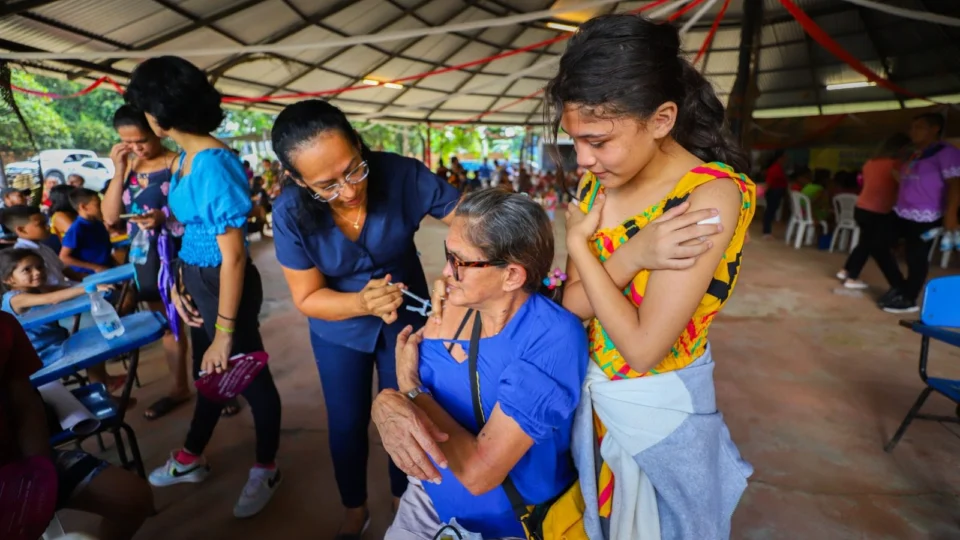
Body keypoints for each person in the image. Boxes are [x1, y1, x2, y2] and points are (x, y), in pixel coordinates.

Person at [547, 14, 753, 539]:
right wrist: (631, 254)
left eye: (598, 141)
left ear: (661, 119)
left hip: (655, 405)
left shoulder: (709, 196)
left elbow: (642, 348)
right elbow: (571, 305)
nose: (585, 159)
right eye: (575, 141)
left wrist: (589, 255)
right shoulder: (601, 184)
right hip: (593, 398)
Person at [269, 99, 460, 538]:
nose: (350, 190)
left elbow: (471, 218)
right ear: (298, 180)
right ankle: (354, 508)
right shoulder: (290, 214)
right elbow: (308, 296)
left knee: (410, 411)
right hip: (338, 328)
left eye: (353, 169)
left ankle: (403, 500)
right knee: (347, 421)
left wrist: (460, 272)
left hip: (408, 318)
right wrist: (361, 303)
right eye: (327, 185)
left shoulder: (402, 174)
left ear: (358, 143)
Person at [371, 189, 587, 539]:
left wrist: (409, 389)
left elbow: (479, 473)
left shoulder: (552, 338)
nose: (444, 271)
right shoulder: (457, 302)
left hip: (510, 525)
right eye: (447, 254)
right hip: (428, 501)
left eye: (459, 261)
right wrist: (385, 404)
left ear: (513, 276)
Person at [125, 55, 283, 518]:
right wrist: (177, 282)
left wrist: (226, 331)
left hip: (223, 281)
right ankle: (193, 455)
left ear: (160, 113)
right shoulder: (186, 159)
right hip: (196, 277)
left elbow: (235, 255)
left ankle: (267, 466)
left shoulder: (213, 163)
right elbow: (188, 226)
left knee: (249, 377)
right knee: (210, 375)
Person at [0, 311, 154, 540]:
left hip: (18, 460)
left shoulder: (4, 326)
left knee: (131, 497)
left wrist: (38, 475)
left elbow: (25, 405)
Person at [101, 104, 197, 421]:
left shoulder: (177, 162)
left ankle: (219, 388)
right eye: (127, 142)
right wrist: (118, 171)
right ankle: (180, 388)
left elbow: (195, 209)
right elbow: (111, 218)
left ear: (156, 130)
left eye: (141, 139)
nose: (136, 147)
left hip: (181, 252)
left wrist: (164, 216)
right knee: (169, 325)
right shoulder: (127, 168)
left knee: (201, 321)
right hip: (146, 257)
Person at [0, 249, 122, 390]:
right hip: (41, 353)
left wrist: (96, 283)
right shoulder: (15, 298)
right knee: (94, 347)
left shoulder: (38, 288)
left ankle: (102, 389)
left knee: (93, 341)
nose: (37, 272)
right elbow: (53, 298)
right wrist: (91, 288)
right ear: (8, 279)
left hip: (56, 343)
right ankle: (103, 391)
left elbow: (65, 289)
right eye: (27, 270)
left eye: (40, 266)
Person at [877, 114, 960, 313]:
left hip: (927, 214)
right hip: (902, 210)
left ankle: (909, 298)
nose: (913, 131)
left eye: (919, 127)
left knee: (916, 257)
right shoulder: (915, 153)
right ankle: (900, 286)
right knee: (877, 242)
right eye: (912, 127)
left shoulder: (946, 153)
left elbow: (955, 185)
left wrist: (951, 214)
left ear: (935, 129)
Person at [838, 134, 911, 290]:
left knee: (865, 242)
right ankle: (852, 277)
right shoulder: (896, 165)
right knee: (872, 245)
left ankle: (847, 271)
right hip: (879, 210)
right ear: (901, 149)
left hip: (862, 207)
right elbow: (903, 186)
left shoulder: (870, 163)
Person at [2, 205, 85, 285]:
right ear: (22, 230)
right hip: (56, 295)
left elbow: (64, 270)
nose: (48, 227)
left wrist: (90, 279)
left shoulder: (43, 247)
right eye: (41, 224)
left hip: (68, 287)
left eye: (46, 223)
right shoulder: (21, 256)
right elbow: (41, 289)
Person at [59, 188, 114, 275]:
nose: (102, 207)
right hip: (91, 273)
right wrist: (95, 267)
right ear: (84, 207)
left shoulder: (97, 223)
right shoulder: (77, 229)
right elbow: (64, 257)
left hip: (107, 266)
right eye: (98, 205)